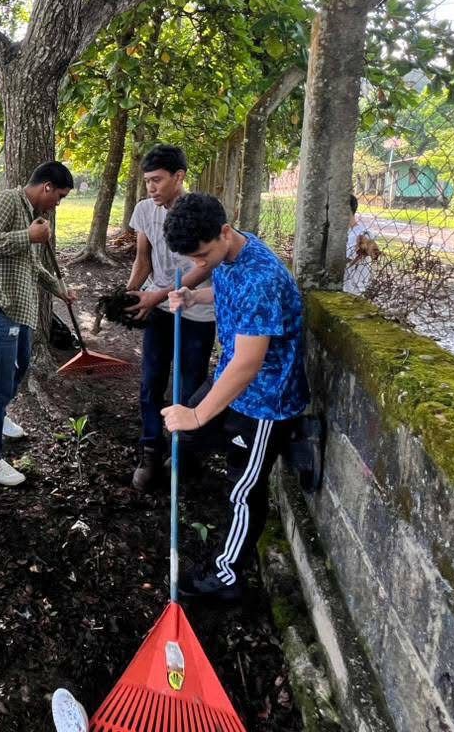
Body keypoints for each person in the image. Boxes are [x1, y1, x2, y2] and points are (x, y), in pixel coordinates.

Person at [161, 192, 309, 601]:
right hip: (233, 380)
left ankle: (228, 578)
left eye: (202, 255)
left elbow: (247, 363)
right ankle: (245, 447)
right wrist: (194, 296)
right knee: (186, 436)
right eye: (191, 260)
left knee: (243, 489)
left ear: (224, 232)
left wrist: (196, 415)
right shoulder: (231, 253)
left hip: (265, 399)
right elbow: (227, 291)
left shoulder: (261, 278)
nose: (198, 266)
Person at [0, 161, 77, 487]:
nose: (58, 203)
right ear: (46, 187)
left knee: (19, 369)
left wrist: (60, 289)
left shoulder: (34, 217)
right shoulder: (6, 202)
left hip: (21, 313)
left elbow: (35, 269)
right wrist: (25, 236)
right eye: (59, 196)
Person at [123, 145, 216, 492]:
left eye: (158, 180)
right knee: (151, 381)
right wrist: (129, 294)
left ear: (179, 177)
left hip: (197, 309)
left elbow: (204, 264)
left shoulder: (200, 212)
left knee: (188, 385)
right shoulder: (145, 211)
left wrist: (158, 294)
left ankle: (184, 458)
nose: (151, 188)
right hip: (160, 309)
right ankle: (150, 451)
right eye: (147, 181)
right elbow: (143, 260)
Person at [343, 195, 380, 295]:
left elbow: (368, 245)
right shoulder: (338, 234)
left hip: (353, 291)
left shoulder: (363, 232)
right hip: (340, 288)